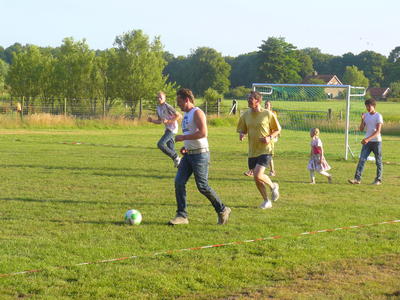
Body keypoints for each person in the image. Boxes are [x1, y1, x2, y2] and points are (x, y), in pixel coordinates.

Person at [168, 88, 231, 225]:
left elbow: (203, 133)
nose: (178, 105)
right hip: (189, 155)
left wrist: (183, 137)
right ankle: (182, 216)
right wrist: (186, 146)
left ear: (187, 100)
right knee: (179, 182)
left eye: (179, 102)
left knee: (202, 186)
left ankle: (222, 209)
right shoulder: (186, 115)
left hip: (200, 155)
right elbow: (193, 134)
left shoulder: (197, 112)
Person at [237, 91, 281, 209]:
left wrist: (269, 137)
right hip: (252, 151)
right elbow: (243, 129)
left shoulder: (267, 114)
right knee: (257, 178)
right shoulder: (245, 115)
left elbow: (277, 129)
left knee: (257, 174)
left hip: (266, 149)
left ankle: (272, 187)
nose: (248, 100)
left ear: (257, 101)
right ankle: (267, 200)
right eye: (247, 98)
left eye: (250, 99)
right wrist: (242, 134)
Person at [348, 98, 383, 185]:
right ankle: (357, 179)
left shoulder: (378, 116)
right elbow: (361, 129)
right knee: (362, 159)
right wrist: (362, 119)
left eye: (369, 106)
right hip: (367, 142)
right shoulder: (366, 115)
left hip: (376, 142)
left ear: (373, 106)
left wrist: (367, 139)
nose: (367, 107)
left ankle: (378, 180)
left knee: (378, 161)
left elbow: (378, 131)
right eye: (366, 106)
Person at [244, 100, 280, 177]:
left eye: (268, 105)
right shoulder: (260, 113)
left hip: (269, 138)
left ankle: (272, 170)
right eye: (265, 104)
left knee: (268, 154)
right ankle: (253, 171)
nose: (266, 106)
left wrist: (272, 136)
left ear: (271, 106)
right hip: (260, 140)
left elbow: (276, 127)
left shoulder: (272, 114)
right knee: (261, 154)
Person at [147, 91, 182, 167]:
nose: (159, 99)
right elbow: (160, 121)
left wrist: (169, 121)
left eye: (161, 97)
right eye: (157, 97)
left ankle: (176, 157)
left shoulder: (168, 106)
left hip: (172, 129)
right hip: (167, 129)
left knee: (160, 144)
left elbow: (179, 116)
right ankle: (180, 165)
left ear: (164, 98)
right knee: (170, 148)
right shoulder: (158, 108)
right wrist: (152, 120)